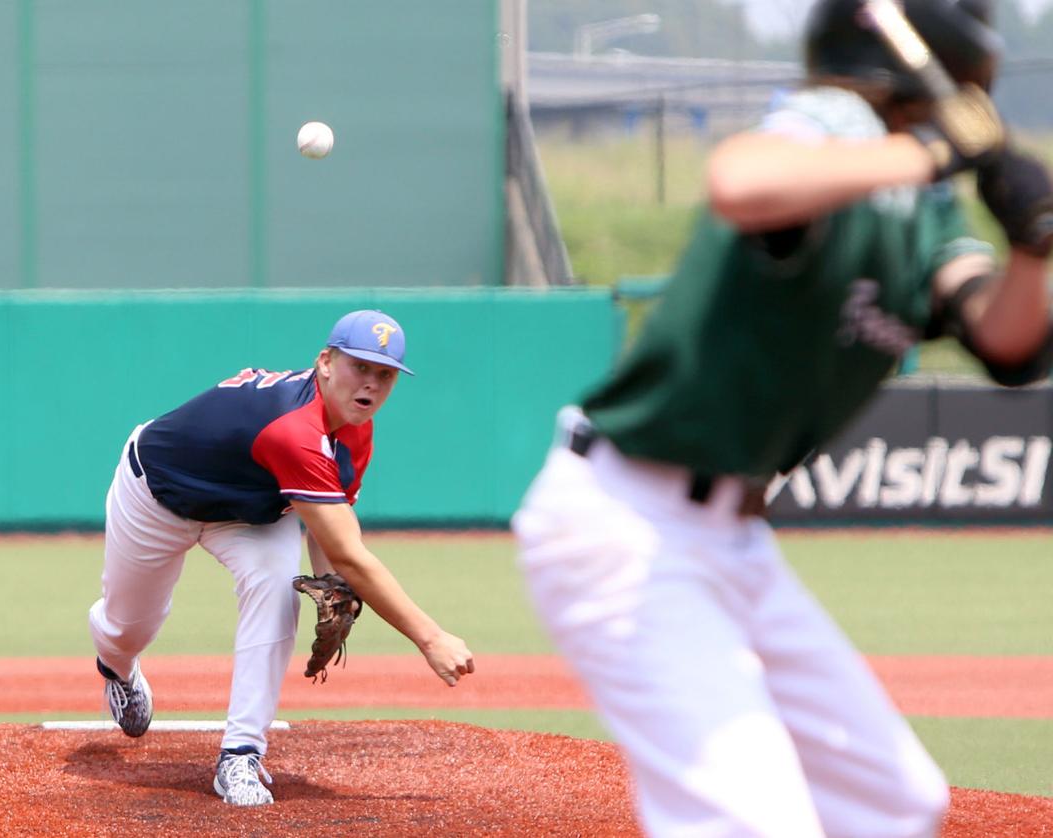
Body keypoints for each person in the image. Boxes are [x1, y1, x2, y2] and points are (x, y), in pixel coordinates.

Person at [512, 1, 1052, 836]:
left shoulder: (926, 204)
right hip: (629, 520)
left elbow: (1005, 340)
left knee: (894, 799)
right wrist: (929, 148)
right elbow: (741, 182)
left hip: (732, 541)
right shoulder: (838, 126)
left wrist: (1034, 243)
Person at [89, 309, 474, 807]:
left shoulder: (355, 428)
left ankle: (241, 754)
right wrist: (431, 637)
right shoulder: (295, 428)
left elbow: (332, 533)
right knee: (128, 627)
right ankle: (117, 668)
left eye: (385, 374)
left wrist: (331, 584)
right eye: (360, 366)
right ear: (326, 362)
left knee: (277, 591)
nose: (372, 384)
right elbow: (352, 556)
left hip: (252, 513)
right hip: (157, 494)